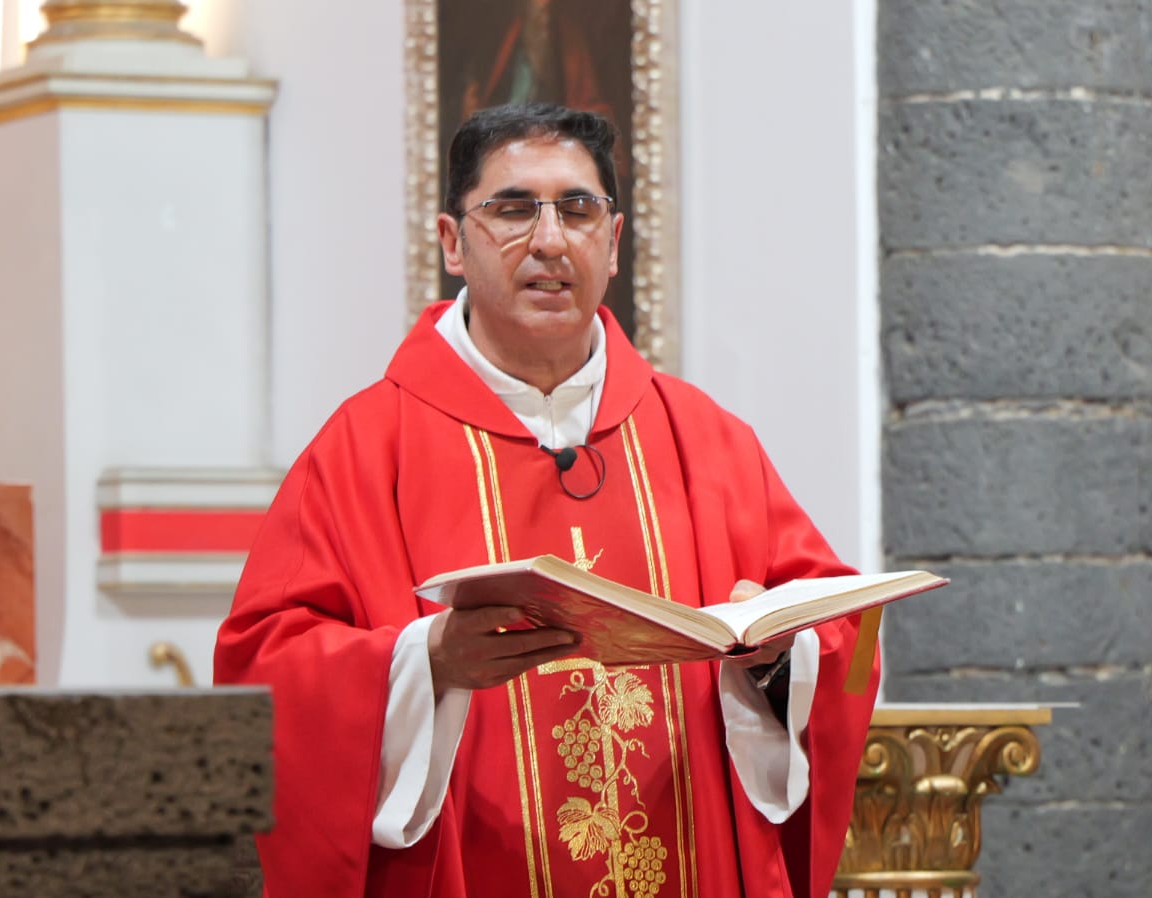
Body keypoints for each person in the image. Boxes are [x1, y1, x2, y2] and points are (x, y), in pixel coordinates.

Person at [215, 103, 879, 898]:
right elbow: (264, 668)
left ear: (614, 240)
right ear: (453, 244)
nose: (550, 240)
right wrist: (423, 662)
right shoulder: (367, 446)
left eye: (577, 208)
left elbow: (850, 637)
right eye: (512, 209)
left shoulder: (707, 441)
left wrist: (781, 661)